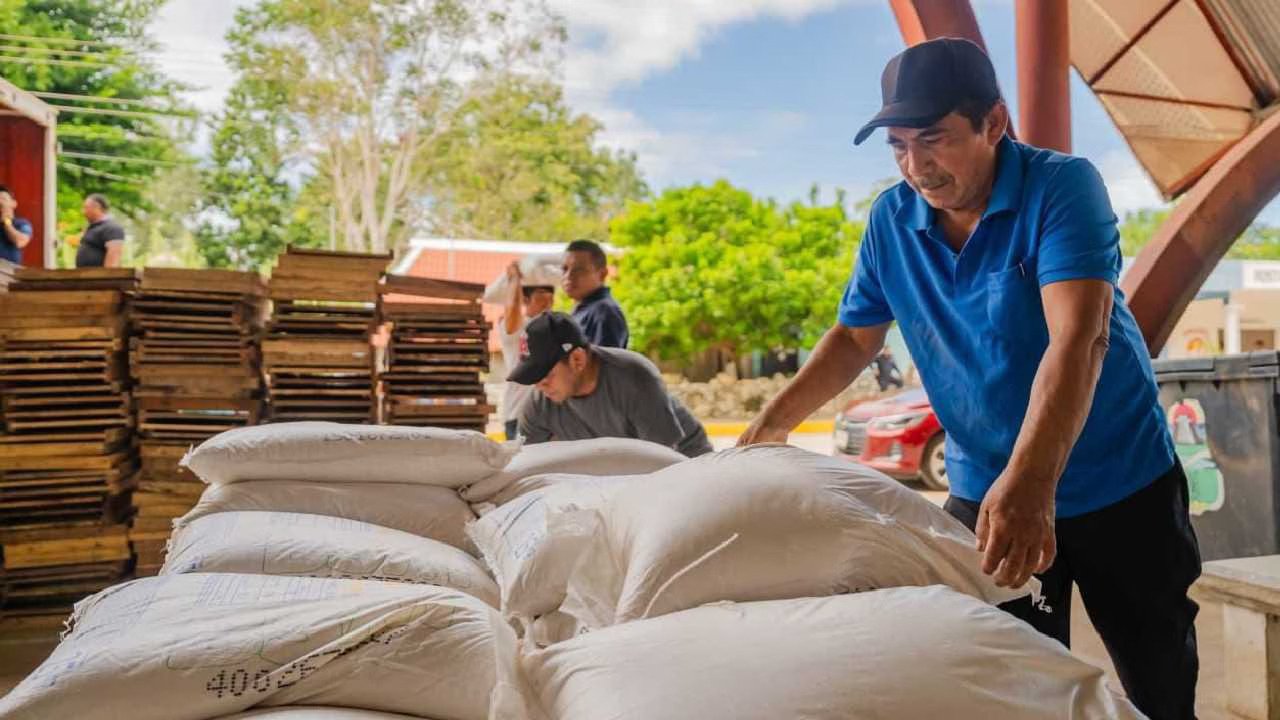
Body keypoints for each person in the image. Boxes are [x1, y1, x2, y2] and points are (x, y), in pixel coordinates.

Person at [739, 38, 1199, 720]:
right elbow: (855, 337)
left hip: (1118, 484)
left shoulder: (1062, 188)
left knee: (1156, 678)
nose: (916, 166)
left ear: (994, 122)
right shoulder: (892, 220)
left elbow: (1080, 338)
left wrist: (1034, 482)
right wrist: (771, 425)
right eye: (898, 145)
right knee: (1001, 685)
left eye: (934, 140)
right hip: (985, 488)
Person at [510, 311, 711, 457]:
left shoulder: (634, 377)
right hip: (620, 473)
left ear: (577, 360)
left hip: (685, 462)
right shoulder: (539, 403)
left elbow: (661, 461)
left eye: (545, 374)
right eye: (533, 377)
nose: (539, 385)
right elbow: (524, 461)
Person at [498, 260, 555, 440]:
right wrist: (515, 280)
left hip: (549, 415)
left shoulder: (555, 330)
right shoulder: (517, 328)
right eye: (540, 297)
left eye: (550, 297)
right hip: (518, 414)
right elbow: (511, 311)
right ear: (525, 300)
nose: (547, 302)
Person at [562, 239, 628, 348]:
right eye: (564, 269)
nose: (568, 276)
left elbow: (605, 363)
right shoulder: (584, 309)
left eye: (578, 270)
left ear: (602, 274)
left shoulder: (604, 312)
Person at [76, 193, 125, 268]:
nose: (83, 212)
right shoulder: (92, 228)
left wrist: (106, 277)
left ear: (96, 207)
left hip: (99, 278)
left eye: (86, 208)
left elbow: (113, 261)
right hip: (86, 276)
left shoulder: (111, 228)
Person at [0, 185, 33, 265]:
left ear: (13, 203)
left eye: (4, 199)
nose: (0, 202)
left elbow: (20, 241)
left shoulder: (22, 223)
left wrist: (6, 222)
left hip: (10, 273)